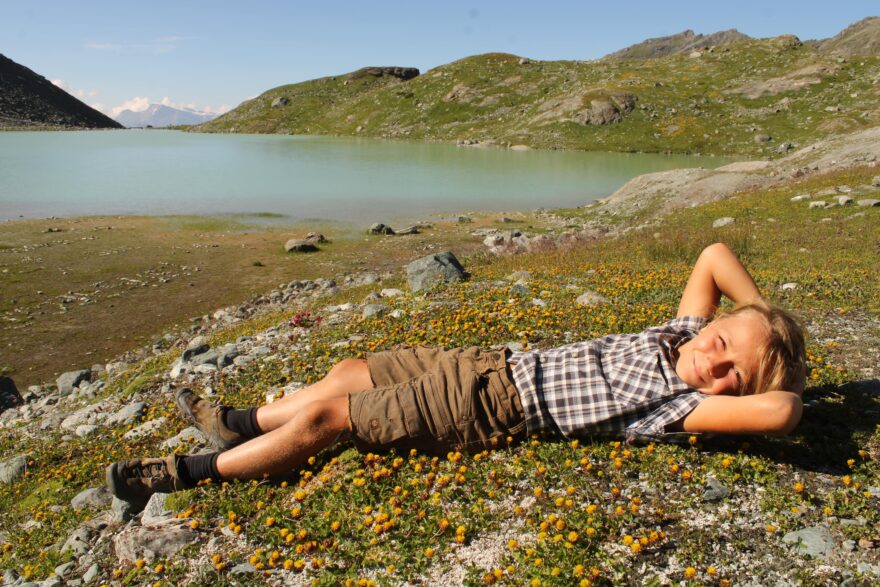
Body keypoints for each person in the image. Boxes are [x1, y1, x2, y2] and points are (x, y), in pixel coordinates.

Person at [107, 243, 807, 507]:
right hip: (488, 361)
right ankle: (237, 423)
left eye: (729, 375)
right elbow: (714, 253)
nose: (711, 361)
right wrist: (760, 319)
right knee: (350, 370)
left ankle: (183, 472)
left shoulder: (675, 406)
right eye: (719, 341)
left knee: (331, 422)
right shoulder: (686, 332)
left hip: (492, 404)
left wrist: (775, 372)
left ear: (733, 395)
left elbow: (781, 414)